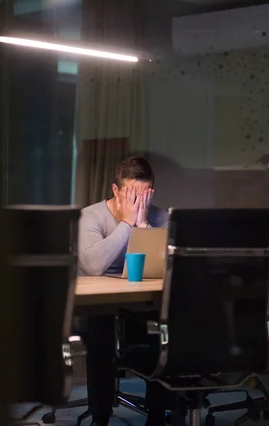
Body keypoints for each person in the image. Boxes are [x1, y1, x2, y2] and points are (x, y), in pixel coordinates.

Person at [78, 156, 175, 426]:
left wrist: (144, 228)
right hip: (98, 304)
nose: (138, 203)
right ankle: (100, 417)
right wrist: (127, 225)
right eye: (132, 194)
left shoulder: (160, 217)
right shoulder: (90, 216)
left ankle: (157, 414)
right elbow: (95, 266)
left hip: (142, 303)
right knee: (100, 330)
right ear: (116, 190)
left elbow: (168, 268)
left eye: (145, 195)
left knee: (165, 325)